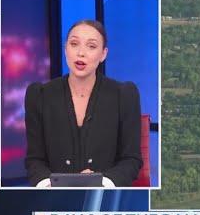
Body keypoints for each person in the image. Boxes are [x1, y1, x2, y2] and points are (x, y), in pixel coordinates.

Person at [24, 20, 143, 187]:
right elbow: (34, 159)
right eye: (74, 44)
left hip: (103, 199)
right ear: (65, 49)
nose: (81, 53)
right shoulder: (40, 95)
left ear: (103, 54)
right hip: (53, 199)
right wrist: (48, 185)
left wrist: (102, 182)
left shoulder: (123, 94)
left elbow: (132, 159)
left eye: (91, 46)